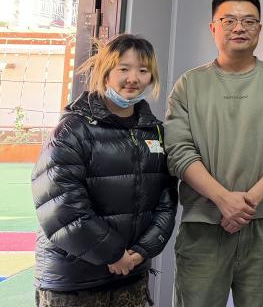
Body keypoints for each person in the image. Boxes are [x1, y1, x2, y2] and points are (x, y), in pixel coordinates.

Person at [165, 0, 263, 307]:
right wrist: (222, 199)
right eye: (228, 20)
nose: (239, 27)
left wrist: (248, 202)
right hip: (203, 223)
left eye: (249, 21)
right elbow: (178, 152)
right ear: (213, 27)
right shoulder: (189, 84)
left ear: (260, 28)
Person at [32, 34, 178, 307]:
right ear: (105, 71)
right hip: (74, 281)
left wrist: (142, 250)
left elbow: (166, 201)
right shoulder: (72, 129)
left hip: (130, 274)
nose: (133, 78)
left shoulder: (155, 132)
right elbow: (61, 206)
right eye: (124, 68)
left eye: (143, 70)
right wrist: (112, 254)